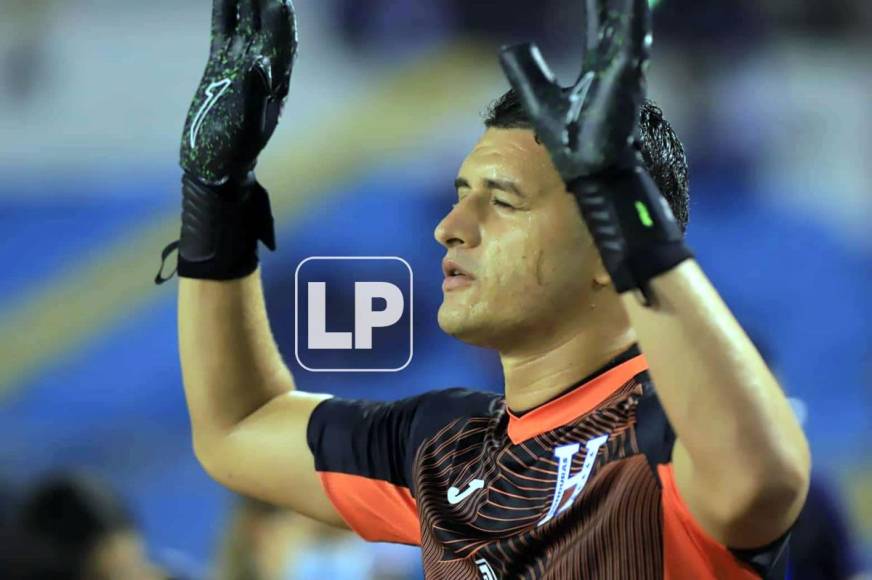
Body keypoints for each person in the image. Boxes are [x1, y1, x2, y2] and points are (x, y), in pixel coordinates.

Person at [158, 0, 811, 577]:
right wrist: (216, 195)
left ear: (604, 248)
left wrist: (631, 212)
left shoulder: (669, 432)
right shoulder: (442, 448)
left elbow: (764, 480)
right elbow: (236, 429)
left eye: (502, 202)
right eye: (460, 197)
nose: (450, 229)